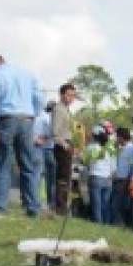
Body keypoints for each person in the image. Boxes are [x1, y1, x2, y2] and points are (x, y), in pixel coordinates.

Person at [0, 52, 44, 216]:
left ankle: (0, 207)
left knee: (3, 164)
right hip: (27, 120)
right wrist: (34, 113)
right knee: (27, 165)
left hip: (7, 120)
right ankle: (33, 207)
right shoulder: (27, 73)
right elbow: (39, 97)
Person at [49, 83, 77, 215]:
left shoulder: (66, 109)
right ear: (62, 95)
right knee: (62, 179)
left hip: (68, 144)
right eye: (69, 95)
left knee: (66, 178)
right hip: (62, 146)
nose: (71, 98)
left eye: (73, 95)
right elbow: (55, 133)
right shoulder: (59, 109)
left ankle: (63, 206)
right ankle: (60, 208)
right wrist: (65, 146)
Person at [82, 124, 115, 224]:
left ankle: (98, 225)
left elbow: (85, 162)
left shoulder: (91, 148)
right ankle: (106, 224)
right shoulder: (110, 148)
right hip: (108, 179)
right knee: (105, 205)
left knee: (96, 205)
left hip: (96, 177)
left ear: (93, 136)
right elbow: (113, 166)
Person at [35, 103, 57, 208]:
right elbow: (50, 133)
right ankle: (50, 202)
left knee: (37, 175)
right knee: (51, 178)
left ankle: (34, 199)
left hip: (36, 148)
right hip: (48, 149)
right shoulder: (49, 119)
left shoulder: (38, 117)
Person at [111, 127, 133, 226]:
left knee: (118, 204)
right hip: (118, 179)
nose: (116, 139)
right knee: (118, 204)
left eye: (117, 137)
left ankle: (119, 223)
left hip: (124, 180)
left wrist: (130, 179)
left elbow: (132, 165)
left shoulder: (131, 148)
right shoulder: (121, 148)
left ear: (121, 137)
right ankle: (119, 223)